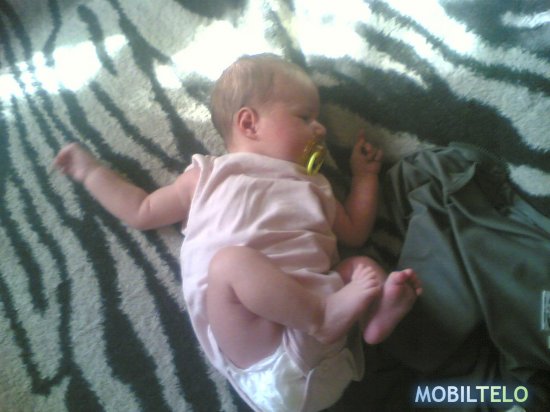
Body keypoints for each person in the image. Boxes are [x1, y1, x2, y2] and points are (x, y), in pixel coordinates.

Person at [54, 53, 422, 412]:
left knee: (359, 266)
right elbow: (142, 209)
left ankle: (372, 323)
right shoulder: (209, 175)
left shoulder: (316, 184)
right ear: (248, 124)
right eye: (305, 116)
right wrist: (90, 173)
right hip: (265, 354)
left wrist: (365, 177)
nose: (320, 129)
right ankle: (323, 316)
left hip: (330, 345)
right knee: (229, 264)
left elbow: (355, 232)